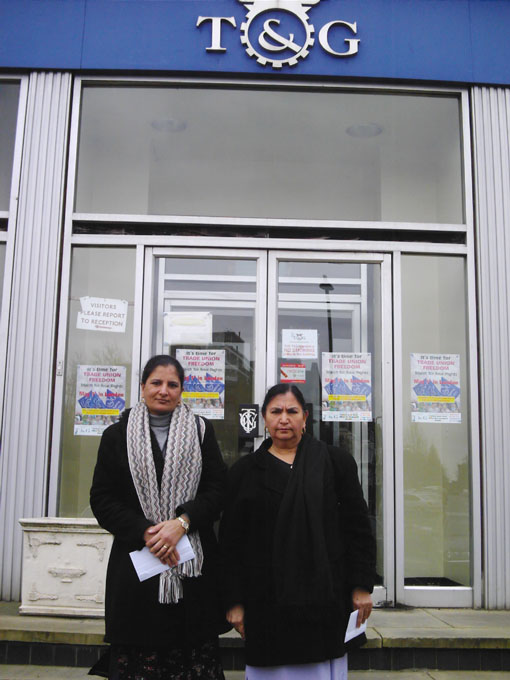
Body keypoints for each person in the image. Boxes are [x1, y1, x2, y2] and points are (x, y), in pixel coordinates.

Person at [219, 384, 376, 680]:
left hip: (324, 602)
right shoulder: (245, 472)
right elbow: (230, 543)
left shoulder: (334, 463)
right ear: (264, 418)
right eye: (275, 411)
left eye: (292, 411)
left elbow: (357, 528)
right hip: (265, 604)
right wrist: (235, 602)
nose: (284, 419)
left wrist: (360, 586)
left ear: (305, 418)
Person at [90, 354, 228, 680]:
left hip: (191, 567)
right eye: (156, 383)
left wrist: (182, 523)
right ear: (142, 387)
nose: (163, 390)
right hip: (137, 564)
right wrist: (146, 532)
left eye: (172, 384)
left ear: (182, 390)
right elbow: (102, 498)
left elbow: (218, 490)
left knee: (191, 656)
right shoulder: (116, 435)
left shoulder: (201, 431)